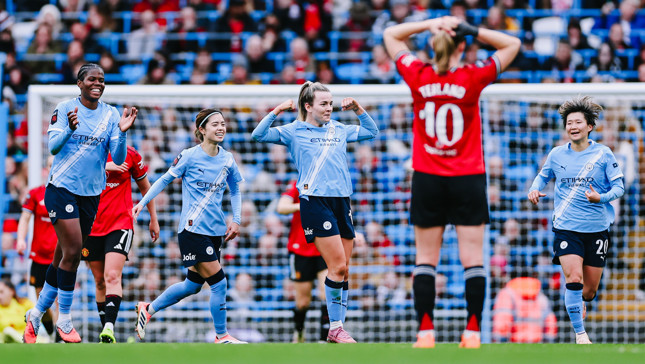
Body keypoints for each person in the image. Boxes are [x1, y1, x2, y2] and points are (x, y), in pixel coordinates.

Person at [383, 16, 520, 348]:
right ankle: (472, 332)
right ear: (463, 46)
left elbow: (390, 34)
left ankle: (425, 331)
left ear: (432, 45)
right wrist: (469, 30)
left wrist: (431, 22)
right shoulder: (473, 77)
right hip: (468, 178)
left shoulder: (417, 74)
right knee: (472, 259)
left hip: (428, 177)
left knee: (424, 259)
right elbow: (512, 44)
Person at [252, 81, 379, 343]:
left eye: (330, 103)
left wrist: (358, 108)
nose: (329, 108)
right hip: (315, 201)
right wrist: (277, 110)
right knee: (337, 265)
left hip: (342, 201)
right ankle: (335, 328)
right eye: (323, 104)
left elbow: (372, 131)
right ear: (308, 106)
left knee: (344, 269)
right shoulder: (294, 130)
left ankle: (337, 327)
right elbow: (258, 135)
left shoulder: (339, 129)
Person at [23, 63, 135, 344]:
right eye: (92, 79)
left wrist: (122, 132)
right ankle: (65, 320)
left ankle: (35, 314)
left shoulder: (110, 114)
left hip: (91, 194)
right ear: (80, 83)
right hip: (61, 189)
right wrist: (70, 130)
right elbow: (55, 147)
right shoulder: (64, 109)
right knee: (74, 250)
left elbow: (119, 158)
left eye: (102, 80)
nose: (98, 83)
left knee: (62, 257)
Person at [132, 108, 246, 344]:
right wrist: (142, 202)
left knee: (192, 286)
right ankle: (221, 335)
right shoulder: (189, 156)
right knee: (219, 283)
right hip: (193, 230)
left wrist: (236, 219)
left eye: (223, 123)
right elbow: (164, 179)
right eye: (215, 124)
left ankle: (148, 309)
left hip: (215, 232)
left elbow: (235, 188)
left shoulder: (227, 158)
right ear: (201, 130)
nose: (221, 127)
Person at [528, 96, 625, 345]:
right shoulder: (557, 154)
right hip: (566, 228)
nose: (572, 126)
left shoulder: (603, 154)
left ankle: (580, 304)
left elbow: (619, 187)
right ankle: (580, 335)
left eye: (578, 122)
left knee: (589, 291)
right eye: (569, 122)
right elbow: (542, 176)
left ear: (589, 126)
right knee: (573, 278)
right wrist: (534, 188)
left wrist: (600, 197)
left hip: (596, 230)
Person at [82, 146, 160, 343]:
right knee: (99, 280)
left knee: (112, 275)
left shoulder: (130, 154)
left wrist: (153, 218)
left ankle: (109, 326)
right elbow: (75, 178)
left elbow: (145, 188)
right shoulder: (87, 151)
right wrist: (105, 167)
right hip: (91, 226)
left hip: (120, 224)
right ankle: (105, 331)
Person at [276, 180, 329, 343]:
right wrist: (302, 206)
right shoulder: (297, 185)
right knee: (303, 302)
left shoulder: (329, 185)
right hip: (300, 250)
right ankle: (299, 333)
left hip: (324, 247)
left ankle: (325, 338)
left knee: (326, 293)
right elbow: (281, 207)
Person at [16, 156, 57, 341]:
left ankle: (58, 336)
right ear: (45, 170)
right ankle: (51, 332)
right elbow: (24, 218)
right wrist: (20, 239)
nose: (53, 168)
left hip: (59, 257)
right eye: (50, 165)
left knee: (56, 299)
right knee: (42, 299)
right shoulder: (35, 194)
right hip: (39, 256)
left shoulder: (68, 195)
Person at [492, 276, 557, 343]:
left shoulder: (506, 294)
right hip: (537, 345)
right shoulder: (540, 295)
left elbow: (502, 323)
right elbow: (550, 323)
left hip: (513, 345)